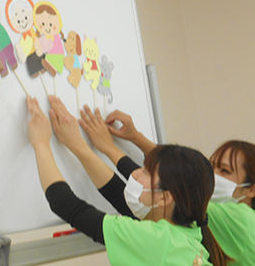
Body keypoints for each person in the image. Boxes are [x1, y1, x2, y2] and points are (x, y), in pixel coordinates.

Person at [26, 96, 230, 266]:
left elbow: (66, 205)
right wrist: (79, 146)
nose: (135, 174)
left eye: (147, 172)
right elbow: (117, 193)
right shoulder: (186, 234)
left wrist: (41, 143)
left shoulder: (158, 240)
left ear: (165, 198)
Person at [88, 109, 255, 265]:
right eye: (212, 167)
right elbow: (174, 176)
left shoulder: (244, 221)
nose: (214, 175)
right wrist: (134, 138)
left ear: (251, 189)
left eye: (225, 171)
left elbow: (176, 178)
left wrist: (110, 148)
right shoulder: (197, 225)